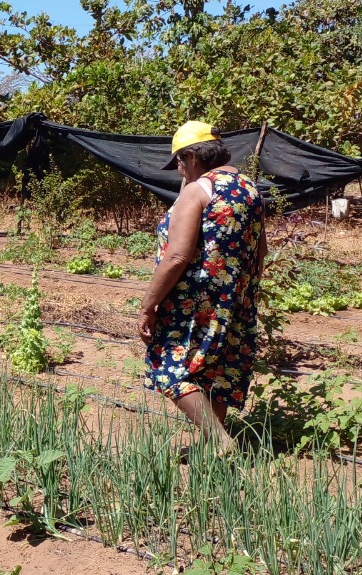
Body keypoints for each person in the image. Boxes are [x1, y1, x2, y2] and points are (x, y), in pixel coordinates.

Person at [138, 121, 267, 457]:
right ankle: (211, 449)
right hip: (236, 299)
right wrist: (239, 292)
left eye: (180, 162)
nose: (179, 170)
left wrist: (148, 305)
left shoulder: (198, 191)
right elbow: (261, 251)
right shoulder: (249, 190)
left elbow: (177, 255)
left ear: (193, 156)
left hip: (194, 301)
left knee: (167, 366)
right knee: (215, 371)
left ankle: (222, 441)